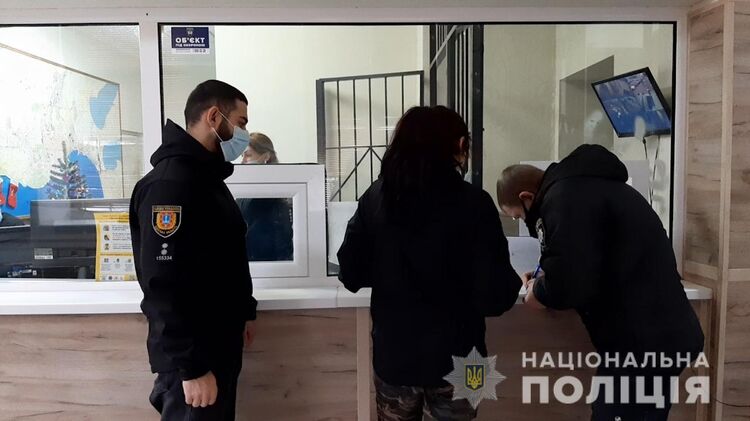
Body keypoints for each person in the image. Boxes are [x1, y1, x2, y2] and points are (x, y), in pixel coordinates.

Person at [338, 106, 522, 421]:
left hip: (395, 356)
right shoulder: (476, 203)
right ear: (459, 145)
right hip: (466, 360)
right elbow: (496, 296)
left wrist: (390, 271)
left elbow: (351, 273)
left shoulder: (376, 198)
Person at [496, 144, 704, 421]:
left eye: (519, 215)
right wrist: (543, 276)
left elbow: (569, 283)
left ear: (527, 196)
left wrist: (540, 292)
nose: (525, 221)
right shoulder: (589, 189)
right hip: (658, 335)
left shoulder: (565, 198)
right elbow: (586, 257)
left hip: (642, 342)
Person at [129, 80, 258, 421]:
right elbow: (162, 283)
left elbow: (223, 258)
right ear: (214, 117)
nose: (244, 134)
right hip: (194, 359)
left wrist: (242, 313)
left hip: (216, 346)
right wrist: (191, 367)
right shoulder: (170, 185)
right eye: (240, 123)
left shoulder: (205, 179)